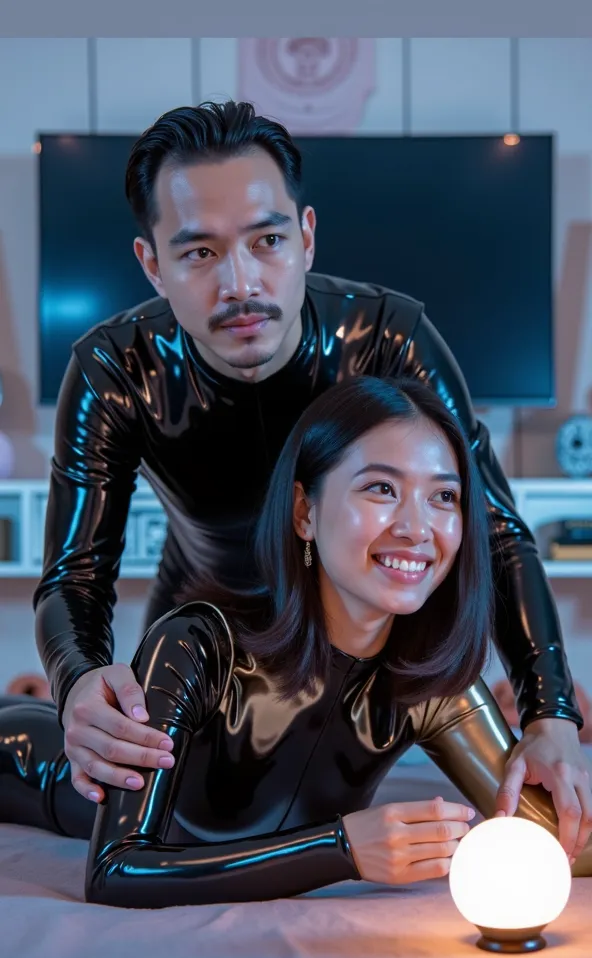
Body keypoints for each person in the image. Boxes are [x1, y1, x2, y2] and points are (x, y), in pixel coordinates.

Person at [33, 100, 591, 854]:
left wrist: (550, 715)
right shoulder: (113, 369)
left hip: (374, 649)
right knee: (193, 827)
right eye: (199, 252)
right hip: (210, 648)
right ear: (152, 264)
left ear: (305, 236)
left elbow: (493, 528)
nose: (240, 283)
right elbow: (75, 575)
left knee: (564, 839)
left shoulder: (391, 336)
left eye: (266, 241)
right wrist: (77, 684)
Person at [6, 378, 591, 909]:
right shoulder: (197, 644)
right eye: (382, 488)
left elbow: (560, 838)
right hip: (22, 757)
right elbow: (116, 870)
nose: (418, 528)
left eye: (444, 497)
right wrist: (341, 849)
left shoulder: (434, 683)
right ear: (305, 512)